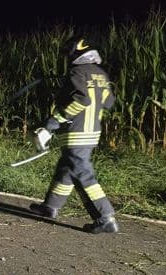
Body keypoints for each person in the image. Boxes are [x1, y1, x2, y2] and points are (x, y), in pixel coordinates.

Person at [29, 36, 119, 234]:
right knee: (66, 169)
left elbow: (82, 100)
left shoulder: (77, 72)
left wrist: (51, 125)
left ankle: (105, 217)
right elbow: (108, 102)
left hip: (76, 133)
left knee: (82, 172)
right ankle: (50, 206)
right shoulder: (99, 74)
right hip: (91, 132)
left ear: (76, 53)